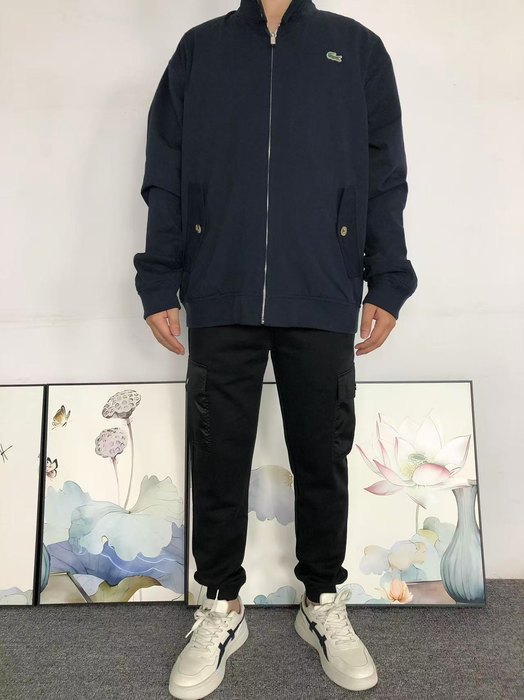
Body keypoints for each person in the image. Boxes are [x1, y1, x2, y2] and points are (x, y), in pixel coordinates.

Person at [133, 0, 417, 697]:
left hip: (321, 283)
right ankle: (221, 606)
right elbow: (165, 170)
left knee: (321, 453)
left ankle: (322, 599)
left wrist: (388, 276)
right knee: (218, 452)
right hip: (219, 283)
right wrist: (160, 276)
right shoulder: (200, 50)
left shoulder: (355, 48)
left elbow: (384, 175)